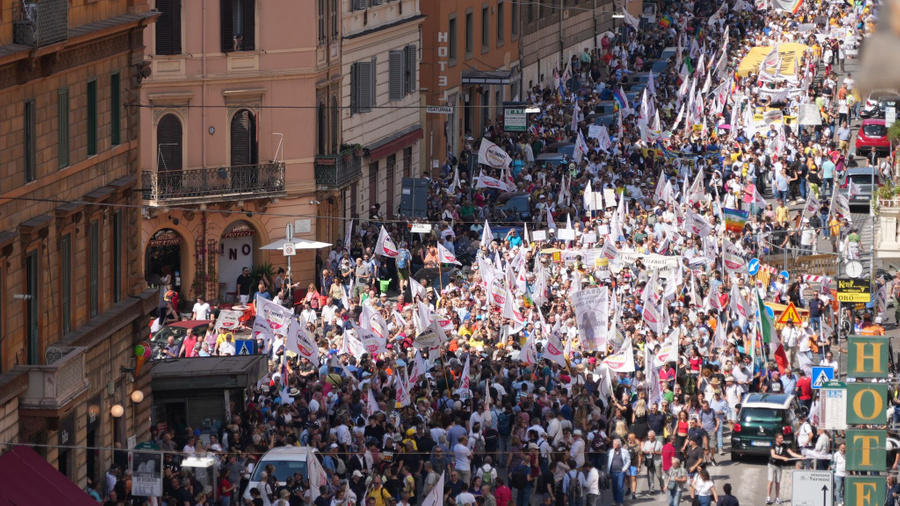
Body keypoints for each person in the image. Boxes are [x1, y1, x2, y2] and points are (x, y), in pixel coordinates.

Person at [767, 433, 803, 504]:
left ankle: (777, 498)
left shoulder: (784, 445)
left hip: (779, 466)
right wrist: (783, 458)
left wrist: (800, 456)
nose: (782, 439)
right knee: (770, 481)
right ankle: (768, 497)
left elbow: (792, 453)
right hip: (772, 465)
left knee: (778, 482)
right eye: (780, 438)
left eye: (782, 438)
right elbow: (773, 455)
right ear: (777, 439)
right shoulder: (773, 445)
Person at [607, 437, 630, 506]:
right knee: (614, 487)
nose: (613, 445)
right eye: (613, 444)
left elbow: (628, 460)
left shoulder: (625, 451)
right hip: (613, 471)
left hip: (621, 471)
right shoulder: (611, 451)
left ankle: (620, 501)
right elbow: (609, 462)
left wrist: (624, 468)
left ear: (619, 445)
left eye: (615, 444)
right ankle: (615, 500)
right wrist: (608, 472)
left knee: (620, 486)